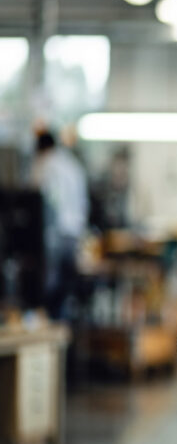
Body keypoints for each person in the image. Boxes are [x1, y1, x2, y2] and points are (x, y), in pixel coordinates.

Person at [31, 129, 89, 320]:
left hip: (55, 235)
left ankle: (50, 328)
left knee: (50, 290)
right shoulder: (72, 165)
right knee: (66, 290)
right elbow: (83, 202)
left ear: (41, 149)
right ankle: (64, 329)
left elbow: (40, 199)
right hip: (74, 235)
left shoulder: (46, 164)